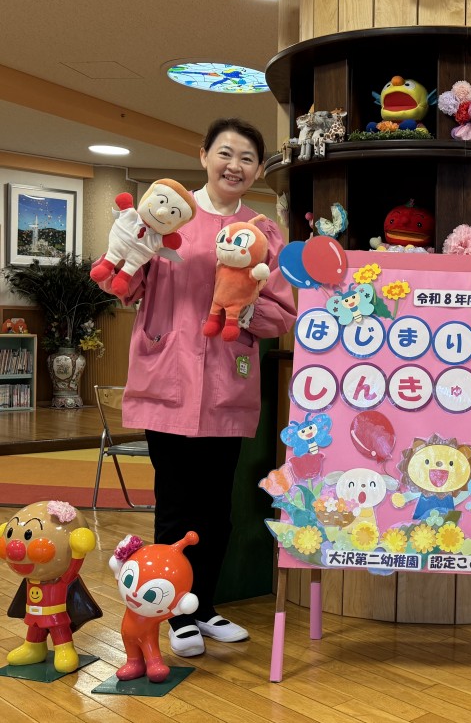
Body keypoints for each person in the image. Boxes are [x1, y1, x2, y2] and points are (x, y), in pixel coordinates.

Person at [95, 117, 296, 658]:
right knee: (175, 507)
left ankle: (202, 607)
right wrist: (129, 245)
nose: (235, 165)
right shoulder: (166, 215)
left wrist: (245, 308)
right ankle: (172, 614)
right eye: (225, 153)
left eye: (247, 158)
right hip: (167, 381)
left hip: (227, 386)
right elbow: (126, 288)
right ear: (203, 155)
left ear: (258, 169)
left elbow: (281, 313)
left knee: (216, 509)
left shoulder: (262, 231)